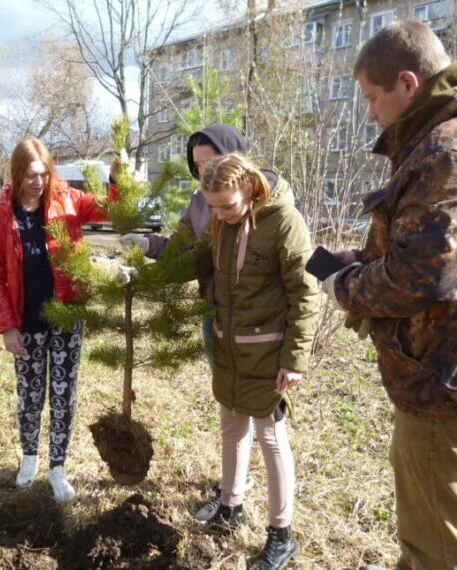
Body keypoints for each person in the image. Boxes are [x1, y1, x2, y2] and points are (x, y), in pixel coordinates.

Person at [322, 20, 457, 570]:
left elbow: (421, 278)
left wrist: (346, 285)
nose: (368, 113)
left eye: (372, 97)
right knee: (429, 536)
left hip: (449, 381)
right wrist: (364, 259)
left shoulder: (456, 150)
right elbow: (451, 253)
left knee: (440, 553)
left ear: (408, 83)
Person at [119, 124, 257, 522]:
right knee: (230, 403)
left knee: (261, 411)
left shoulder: (257, 198)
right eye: (197, 165)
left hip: (253, 320)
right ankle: (236, 483)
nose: (204, 171)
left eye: (211, 160)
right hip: (212, 311)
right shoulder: (200, 203)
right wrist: (147, 246)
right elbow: (181, 250)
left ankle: (242, 490)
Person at [191, 153, 318, 570]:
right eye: (214, 207)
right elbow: (202, 261)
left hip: (268, 352)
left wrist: (294, 359)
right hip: (230, 349)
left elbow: (306, 293)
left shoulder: (284, 222)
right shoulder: (222, 221)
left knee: (270, 437)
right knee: (232, 429)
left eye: (227, 205)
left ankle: (282, 534)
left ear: (249, 186)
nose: (221, 215)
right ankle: (231, 506)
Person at [0, 139, 108, 502]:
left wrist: (117, 177)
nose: (38, 181)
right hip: (26, 322)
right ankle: (29, 458)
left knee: (64, 395)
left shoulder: (68, 200)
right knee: (30, 395)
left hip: (67, 317)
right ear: (18, 174)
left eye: (44, 173)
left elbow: (111, 208)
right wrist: (7, 325)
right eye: (31, 175)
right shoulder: (2, 215)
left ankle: (58, 467)